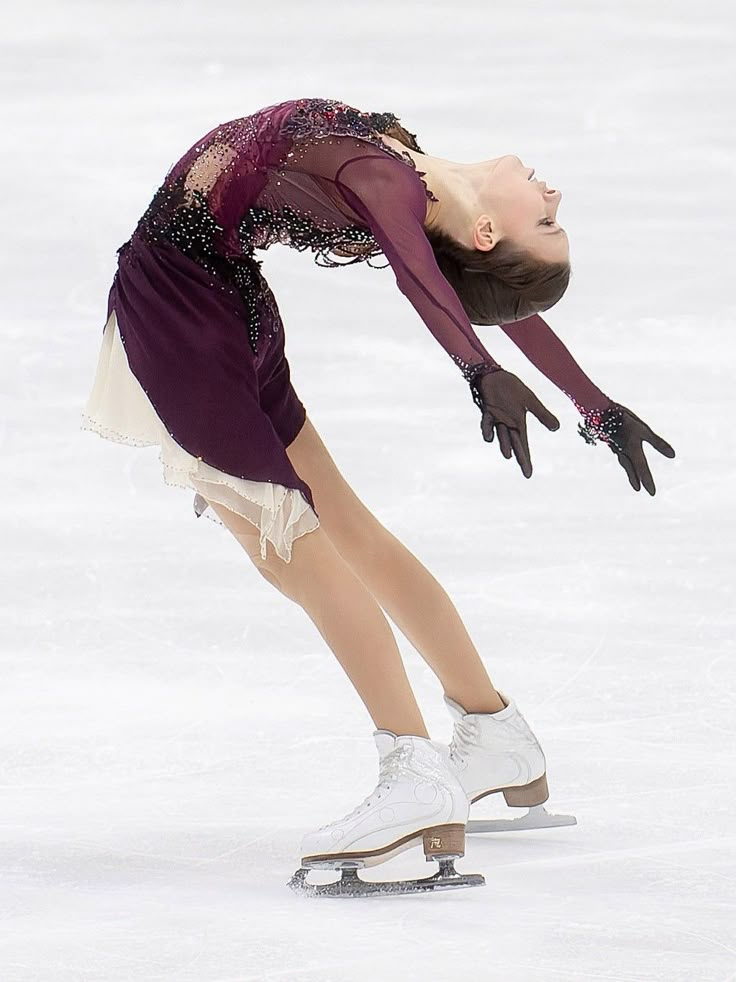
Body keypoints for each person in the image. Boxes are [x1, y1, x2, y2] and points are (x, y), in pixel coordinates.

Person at [80, 97, 676, 890]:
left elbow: (448, 288)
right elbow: (458, 283)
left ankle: (413, 776)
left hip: (188, 315)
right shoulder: (411, 175)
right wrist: (543, 389)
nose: (555, 199)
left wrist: (525, 383)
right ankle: (493, 733)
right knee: (345, 532)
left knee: (293, 549)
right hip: (227, 306)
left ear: (490, 232)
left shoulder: (387, 178)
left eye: (549, 222)